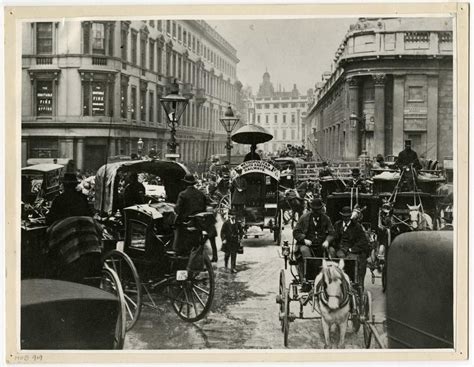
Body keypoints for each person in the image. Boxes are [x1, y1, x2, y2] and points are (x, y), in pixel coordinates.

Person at [293, 198, 335, 291]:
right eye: (314, 210)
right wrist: (304, 240)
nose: (316, 212)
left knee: (332, 252)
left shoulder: (326, 219)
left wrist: (327, 241)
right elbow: (296, 232)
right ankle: (307, 280)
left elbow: (332, 233)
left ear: (321, 209)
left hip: (321, 245)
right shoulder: (304, 218)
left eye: (318, 210)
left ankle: (331, 278)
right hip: (307, 245)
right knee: (305, 252)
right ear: (311, 209)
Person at [332, 206, 370, 289]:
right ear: (341, 216)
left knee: (352, 262)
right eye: (344, 216)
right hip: (339, 250)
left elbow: (363, 241)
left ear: (350, 216)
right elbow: (334, 238)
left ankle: (353, 284)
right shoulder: (337, 225)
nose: (346, 218)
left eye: (348, 216)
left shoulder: (357, 226)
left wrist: (351, 249)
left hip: (352, 251)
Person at [173, 174, 208, 254]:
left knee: (175, 225)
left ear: (185, 183)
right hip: (199, 222)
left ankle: (178, 249)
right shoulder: (200, 194)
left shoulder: (182, 194)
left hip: (187, 221)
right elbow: (204, 208)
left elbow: (177, 209)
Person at [220, 208, 243, 273]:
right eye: (232, 215)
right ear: (229, 215)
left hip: (234, 241)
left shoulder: (237, 223)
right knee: (227, 254)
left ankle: (233, 268)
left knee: (234, 254)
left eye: (234, 215)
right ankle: (226, 266)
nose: (233, 216)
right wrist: (223, 239)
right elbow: (222, 232)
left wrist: (240, 237)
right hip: (227, 241)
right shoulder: (226, 223)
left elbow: (241, 231)